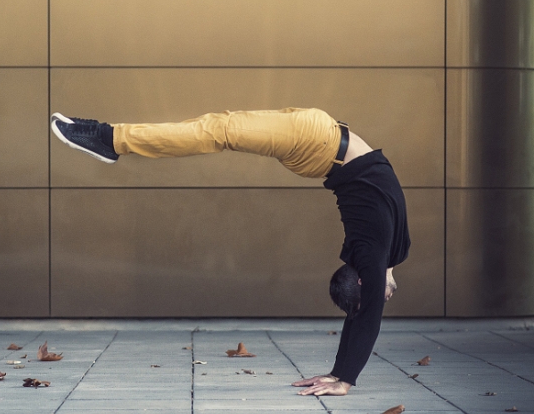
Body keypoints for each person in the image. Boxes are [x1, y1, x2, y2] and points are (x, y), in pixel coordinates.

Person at [51, 108, 410, 396]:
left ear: (362, 276)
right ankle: (110, 140)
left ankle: (107, 138)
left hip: (316, 143)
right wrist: (342, 374)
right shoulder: (389, 253)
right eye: (380, 293)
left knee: (217, 130)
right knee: (217, 129)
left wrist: (342, 378)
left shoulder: (373, 252)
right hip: (319, 140)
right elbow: (365, 313)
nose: (384, 297)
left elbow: (363, 317)